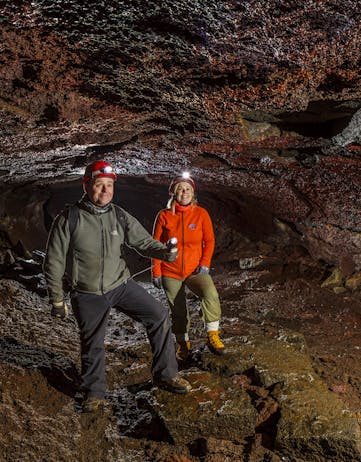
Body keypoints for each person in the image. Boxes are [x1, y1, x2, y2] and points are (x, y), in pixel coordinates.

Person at [43, 160, 191, 413]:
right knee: (93, 342)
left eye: (109, 186)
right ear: (86, 185)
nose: (105, 191)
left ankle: (166, 374)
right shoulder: (69, 218)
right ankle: (95, 391)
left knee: (158, 315)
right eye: (99, 185)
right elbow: (54, 261)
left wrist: (166, 253)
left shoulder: (119, 215)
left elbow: (143, 242)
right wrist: (58, 300)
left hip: (121, 284)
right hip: (87, 293)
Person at [152, 172, 226, 362]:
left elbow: (209, 241)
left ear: (193, 193)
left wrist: (205, 264)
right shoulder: (164, 216)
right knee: (178, 310)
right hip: (171, 271)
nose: (184, 192)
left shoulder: (201, 214)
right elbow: (156, 245)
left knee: (210, 294)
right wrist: (156, 272)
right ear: (173, 193)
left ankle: (212, 335)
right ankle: (183, 345)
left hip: (195, 270)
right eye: (180, 189)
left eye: (187, 189)